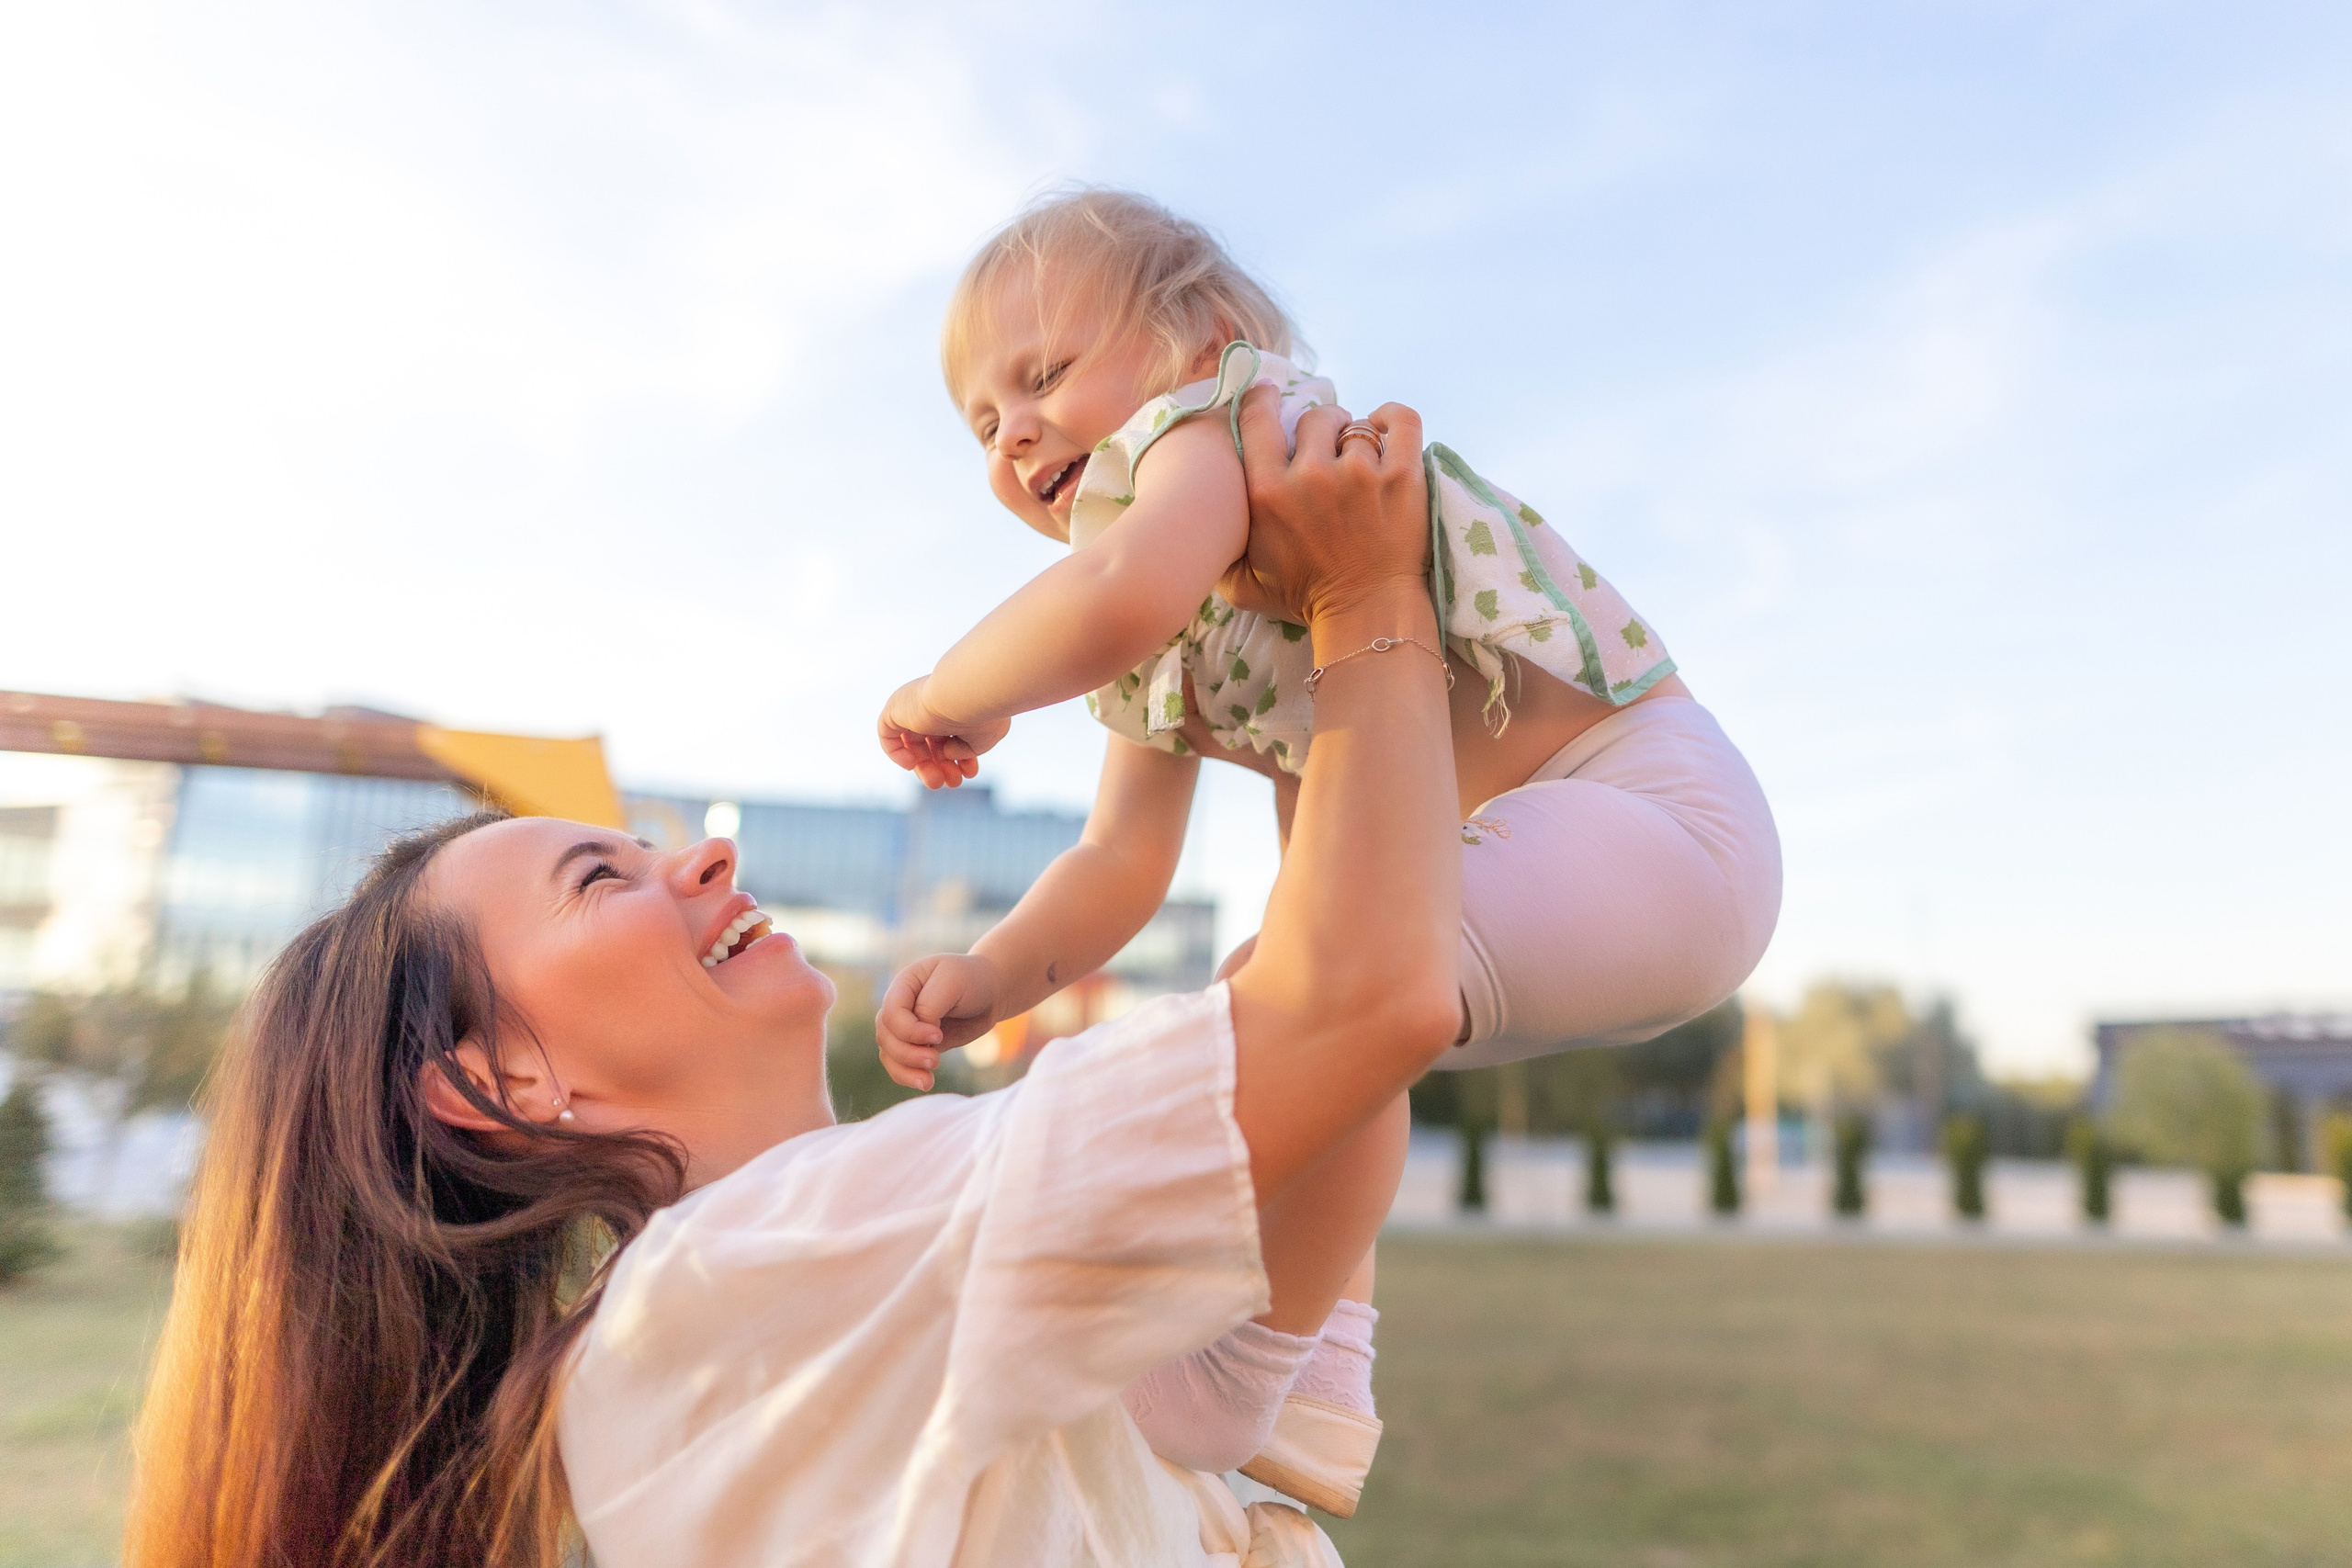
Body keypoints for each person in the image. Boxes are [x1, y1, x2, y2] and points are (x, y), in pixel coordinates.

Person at [124, 389, 1460, 1567]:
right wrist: (1366, 598)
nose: (701, 861)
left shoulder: (789, 1283)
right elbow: (1369, 999)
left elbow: (1344, 1063)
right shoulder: (746, 1279)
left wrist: (1303, 717)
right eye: (602, 881)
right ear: (498, 1080)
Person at [870, 187, 1783, 1489]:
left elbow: (1110, 597)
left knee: (1310, 970)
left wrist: (944, 692)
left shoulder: (1233, 433)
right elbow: (1121, 862)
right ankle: (1319, 1390)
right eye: (982, 423)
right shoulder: (1171, 608)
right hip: (1559, 855)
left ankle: (1242, 1376)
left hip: (1652, 811)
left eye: (1045, 374)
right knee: (1304, 984)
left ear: (1210, 336)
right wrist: (997, 976)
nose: (1015, 432)